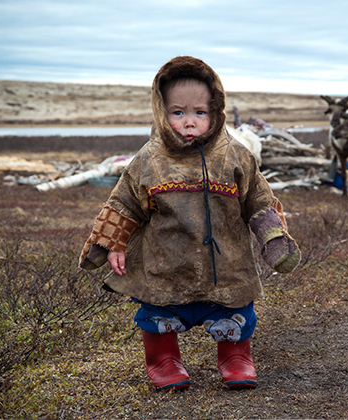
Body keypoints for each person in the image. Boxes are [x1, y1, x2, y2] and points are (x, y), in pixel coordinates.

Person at [79, 56, 301, 391]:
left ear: (216, 111)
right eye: (178, 112)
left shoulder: (236, 156)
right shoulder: (148, 159)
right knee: (157, 313)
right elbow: (123, 203)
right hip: (165, 263)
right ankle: (164, 360)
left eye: (200, 112)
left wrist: (273, 238)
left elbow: (259, 201)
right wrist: (113, 244)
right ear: (161, 112)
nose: (189, 121)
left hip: (226, 262)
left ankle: (235, 357)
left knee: (236, 311)